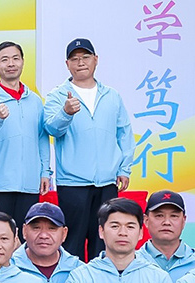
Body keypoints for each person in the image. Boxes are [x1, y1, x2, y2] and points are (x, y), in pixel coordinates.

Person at [42, 39, 134, 259]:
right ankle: (71, 280)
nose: (80, 62)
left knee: (103, 241)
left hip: (107, 183)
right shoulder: (58, 95)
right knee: (71, 242)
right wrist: (65, 112)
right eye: (74, 59)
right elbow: (51, 128)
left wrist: (124, 168)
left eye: (85, 57)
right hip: (73, 183)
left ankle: (102, 279)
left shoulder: (111, 95)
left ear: (96, 60)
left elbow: (124, 132)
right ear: (67, 64)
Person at [0, 41, 52, 220]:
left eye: (15, 58)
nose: (11, 64)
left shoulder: (35, 101)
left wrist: (44, 172)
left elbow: (42, 138)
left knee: (26, 233)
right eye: (5, 60)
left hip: (29, 184)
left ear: (22, 62)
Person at [139, 191, 195, 281]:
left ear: (183, 221)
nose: (167, 222)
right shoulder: (132, 263)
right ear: (146, 220)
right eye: (159, 215)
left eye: (174, 216)